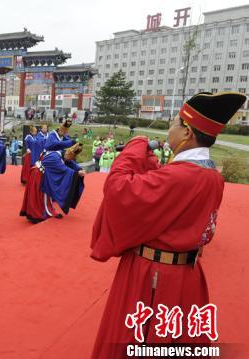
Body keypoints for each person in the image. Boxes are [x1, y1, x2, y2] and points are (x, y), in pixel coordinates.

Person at [90, 92, 247, 358]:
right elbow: (161, 190)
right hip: (186, 274)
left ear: (187, 133)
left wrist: (133, 149)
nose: (169, 131)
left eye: (173, 124)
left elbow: (118, 190)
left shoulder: (180, 176)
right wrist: (148, 160)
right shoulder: (210, 175)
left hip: (155, 275)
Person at [20, 142, 85, 223]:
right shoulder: (55, 157)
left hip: (43, 175)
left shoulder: (62, 154)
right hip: (38, 175)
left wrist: (79, 168)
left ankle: (39, 212)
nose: (70, 160)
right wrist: (77, 173)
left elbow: (70, 163)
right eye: (71, 158)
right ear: (68, 154)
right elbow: (64, 169)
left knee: (43, 197)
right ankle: (36, 214)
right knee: (38, 196)